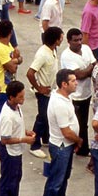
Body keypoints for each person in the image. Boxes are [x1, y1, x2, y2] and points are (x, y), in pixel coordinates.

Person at [41, 69, 81, 196]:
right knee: (56, 179)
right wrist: (79, 140)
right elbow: (66, 132)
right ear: (64, 84)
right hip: (61, 146)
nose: (76, 83)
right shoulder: (59, 104)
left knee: (64, 177)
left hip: (67, 146)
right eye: (73, 81)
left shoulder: (65, 97)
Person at [0, 81, 34, 196]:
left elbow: (16, 126)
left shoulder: (17, 107)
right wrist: (24, 139)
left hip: (17, 150)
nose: (22, 99)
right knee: (7, 180)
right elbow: (5, 139)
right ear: (11, 97)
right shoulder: (7, 116)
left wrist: (26, 131)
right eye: (20, 97)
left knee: (16, 177)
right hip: (8, 152)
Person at [27, 26, 64, 158]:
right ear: (55, 40)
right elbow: (30, 73)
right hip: (44, 92)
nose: (62, 39)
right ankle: (34, 144)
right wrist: (39, 88)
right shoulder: (43, 54)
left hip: (51, 91)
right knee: (42, 117)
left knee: (49, 115)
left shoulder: (52, 50)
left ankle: (45, 138)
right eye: (60, 37)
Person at [60, 28, 96, 158]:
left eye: (80, 39)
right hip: (75, 96)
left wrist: (87, 70)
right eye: (75, 40)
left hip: (86, 93)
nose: (79, 42)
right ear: (68, 41)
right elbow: (79, 75)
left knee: (84, 124)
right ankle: (78, 147)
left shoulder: (86, 49)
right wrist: (88, 70)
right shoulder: (66, 56)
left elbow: (94, 64)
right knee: (76, 124)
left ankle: (83, 147)